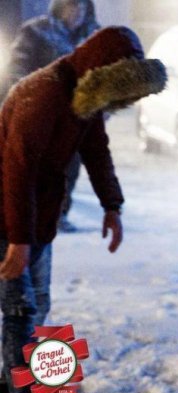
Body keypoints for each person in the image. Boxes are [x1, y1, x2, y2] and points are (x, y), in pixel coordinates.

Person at [0, 26, 166, 393]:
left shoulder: (84, 99)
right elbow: (17, 171)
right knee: (21, 308)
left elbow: (96, 151)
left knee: (37, 303)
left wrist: (112, 206)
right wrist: (19, 242)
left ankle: (11, 377)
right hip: (8, 216)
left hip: (37, 217)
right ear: (100, 71)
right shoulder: (41, 96)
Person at [1, 0, 101, 233]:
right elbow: (19, 66)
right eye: (72, 7)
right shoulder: (36, 31)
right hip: (42, 112)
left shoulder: (95, 36)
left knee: (70, 166)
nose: (76, 13)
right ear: (60, 7)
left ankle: (59, 214)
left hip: (78, 116)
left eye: (81, 8)